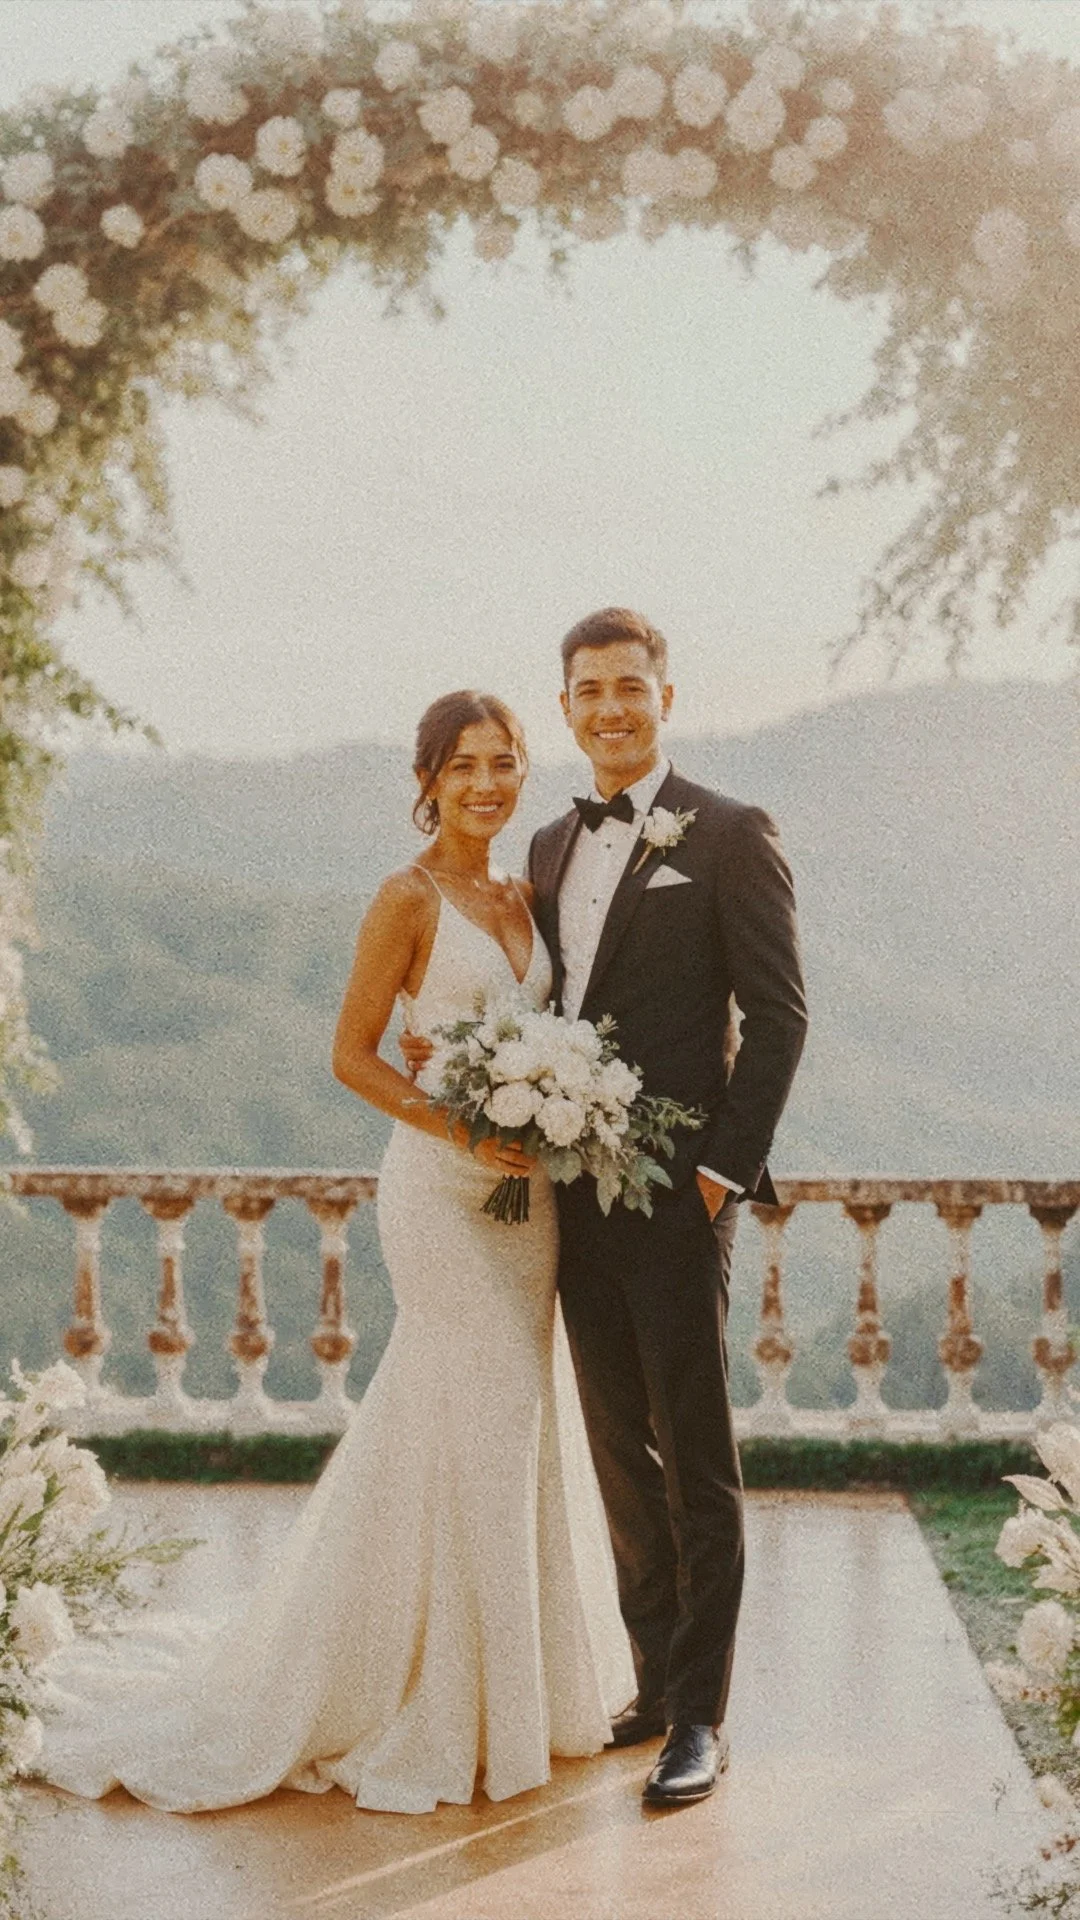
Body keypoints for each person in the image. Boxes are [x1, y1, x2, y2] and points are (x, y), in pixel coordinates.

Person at [35, 689, 634, 1816]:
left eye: (504, 762)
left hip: (531, 1206)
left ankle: (520, 1694)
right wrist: (468, 1125)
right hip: (442, 1196)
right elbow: (351, 1056)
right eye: (464, 765)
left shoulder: (528, 894)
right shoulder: (404, 900)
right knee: (486, 1412)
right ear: (429, 780)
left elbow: (558, 1027)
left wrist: (552, 1105)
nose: (488, 784)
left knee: (501, 1427)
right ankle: (453, 1712)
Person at [509, 608, 806, 1806]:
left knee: (694, 1455)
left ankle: (704, 1718)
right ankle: (649, 1680)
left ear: (665, 697)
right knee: (616, 1450)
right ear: (567, 707)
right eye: (589, 692)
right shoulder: (544, 847)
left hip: (683, 1196)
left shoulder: (730, 834)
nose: (611, 709)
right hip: (569, 1196)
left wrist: (718, 1177)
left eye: (631, 687)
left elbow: (781, 1017)